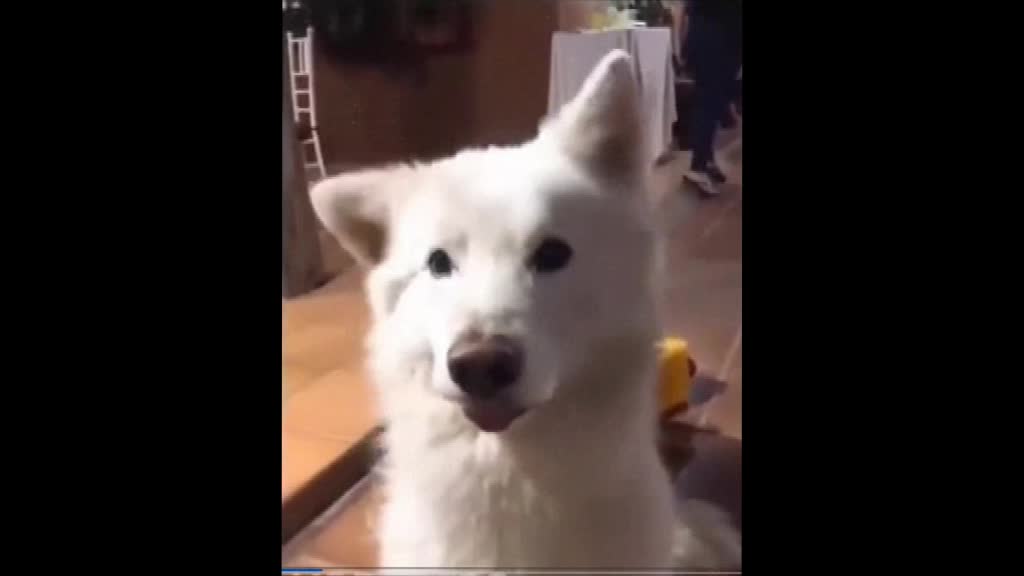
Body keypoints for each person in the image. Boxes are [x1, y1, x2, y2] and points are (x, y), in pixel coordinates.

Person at [681, 0, 742, 196]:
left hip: (716, 40)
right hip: (716, 42)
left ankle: (705, 159)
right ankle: (697, 167)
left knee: (713, 102)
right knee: (709, 102)